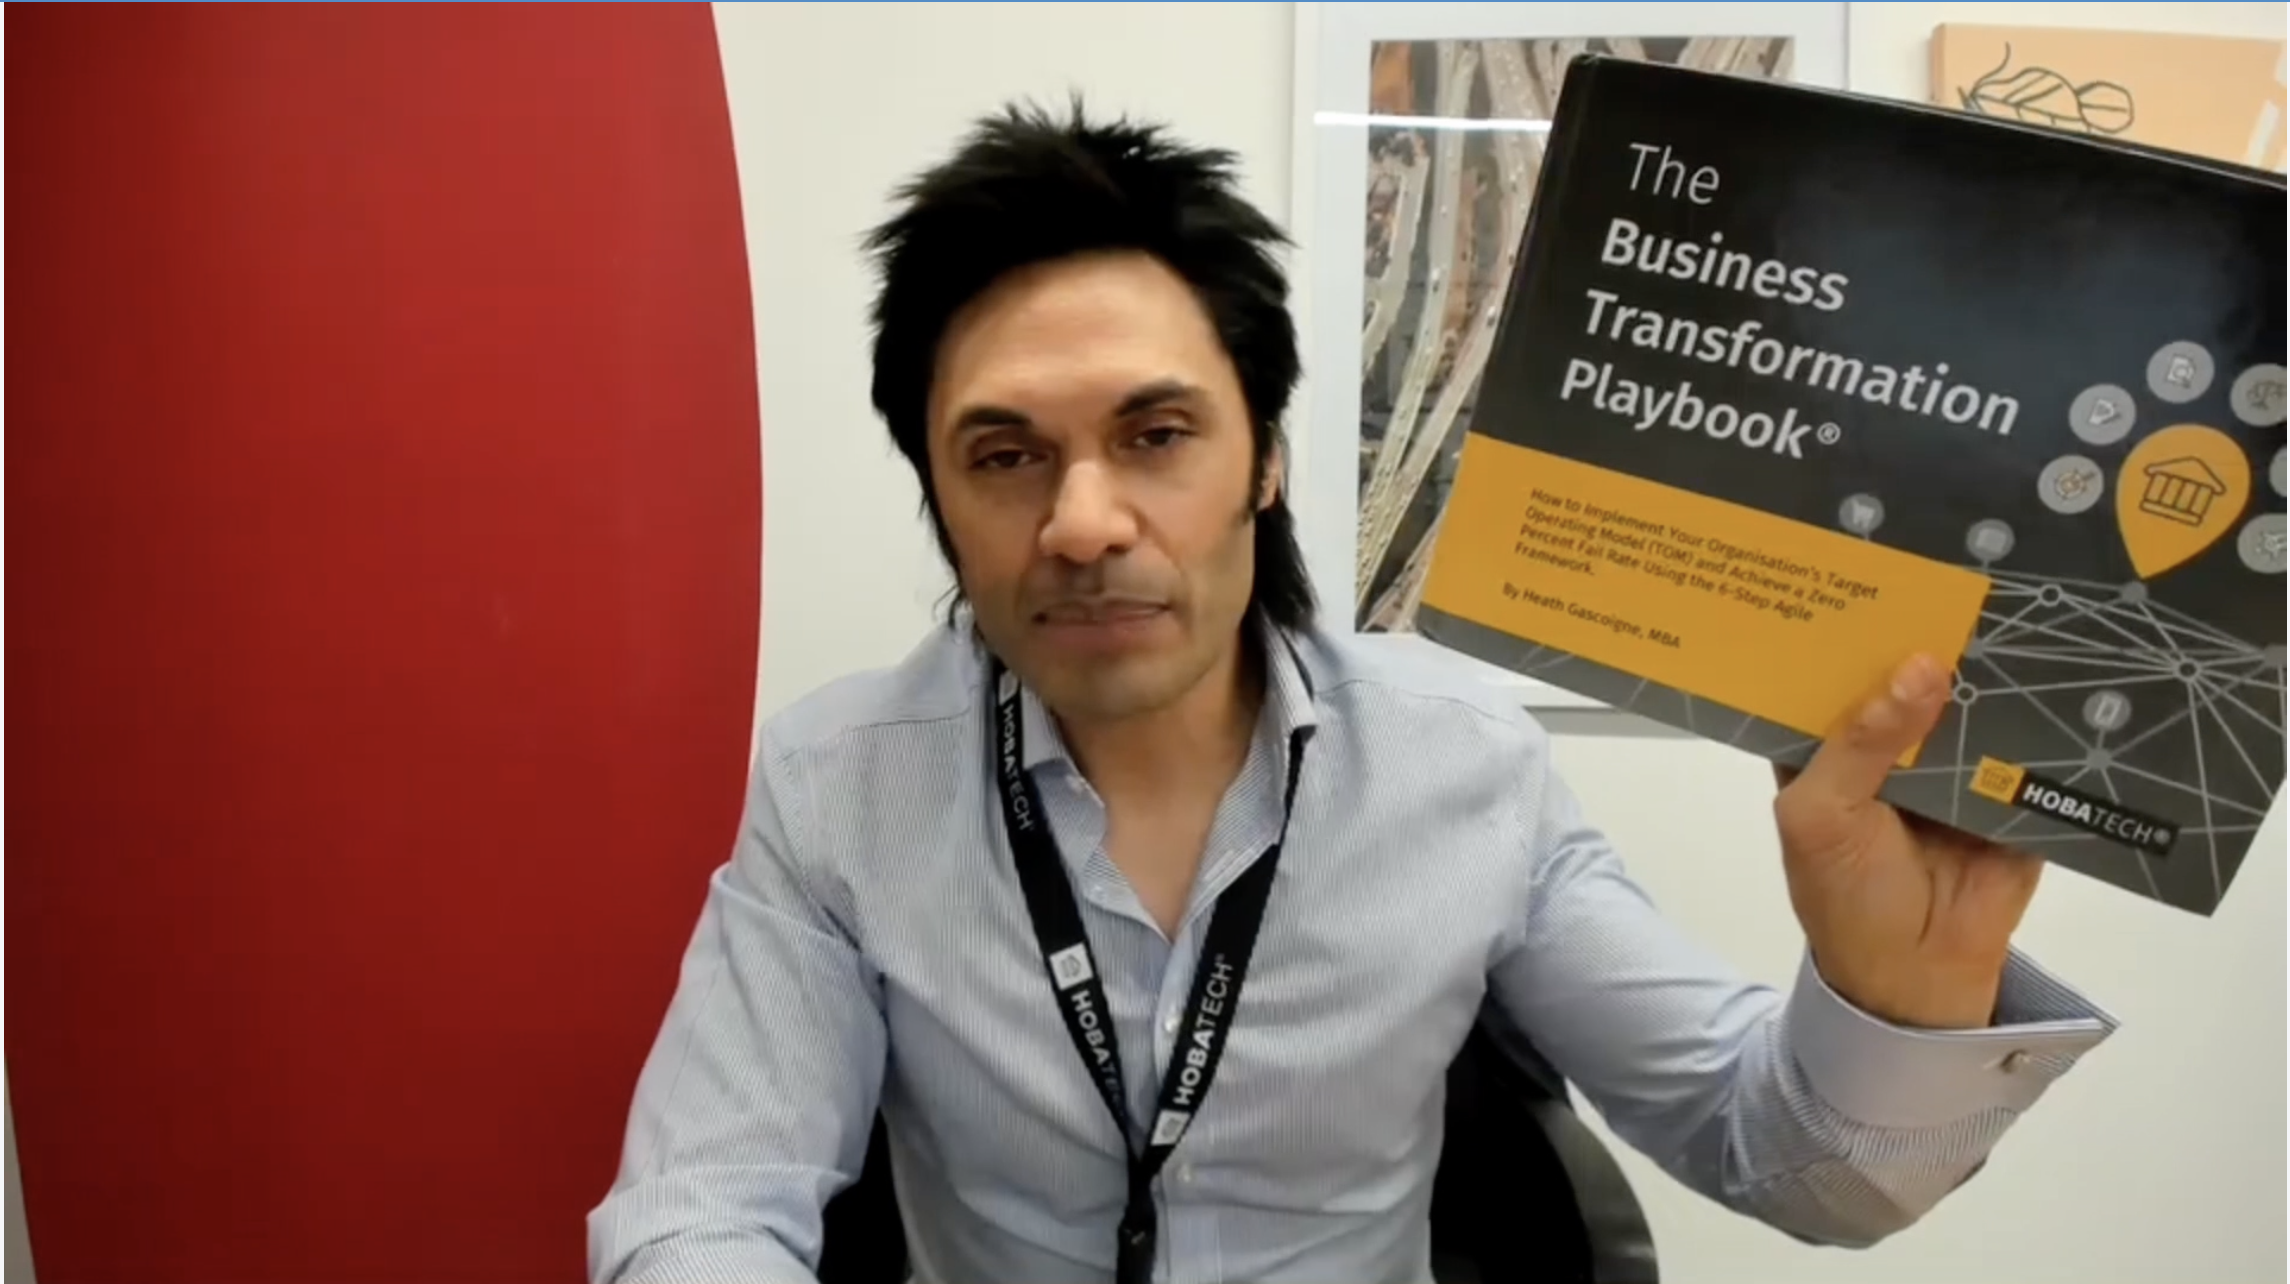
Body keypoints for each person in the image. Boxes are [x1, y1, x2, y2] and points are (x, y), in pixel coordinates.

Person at [587, 100, 2116, 1284]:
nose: (1082, 521)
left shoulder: (1464, 771)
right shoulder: (838, 787)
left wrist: (1896, 993)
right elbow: (699, 1204)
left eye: (1156, 435)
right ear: (940, 498)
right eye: (1004, 456)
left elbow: (1787, 1164)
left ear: (1262, 459)